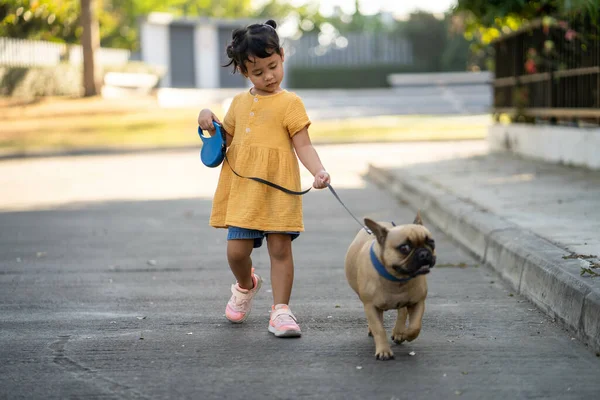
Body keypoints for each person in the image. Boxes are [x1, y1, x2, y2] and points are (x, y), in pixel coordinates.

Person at [197, 19, 330, 338]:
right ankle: (246, 285)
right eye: (258, 72)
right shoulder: (239, 104)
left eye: (273, 66)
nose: (268, 76)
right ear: (245, 72)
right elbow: (223, 138)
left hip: (279, 191)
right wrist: (206, 117)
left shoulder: (290, 103)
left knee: (281, 250)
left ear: (282, 55)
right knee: (236, 252)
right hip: (244, 192)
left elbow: (304, 145)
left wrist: (318, 171)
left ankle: (281, 311)